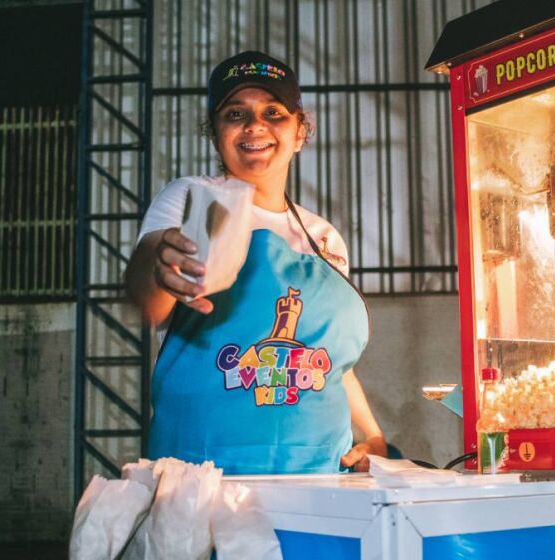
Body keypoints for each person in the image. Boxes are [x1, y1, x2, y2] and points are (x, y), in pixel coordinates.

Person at [125, 51, 387, 475]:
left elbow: (329, 360)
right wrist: (160, 266)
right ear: (215, 133)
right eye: (235, 113)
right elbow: (149, 297)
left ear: (300, 131)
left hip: (320, 477)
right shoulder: (192, 200)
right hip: (207, 477)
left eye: (274, 112)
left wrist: (372, 435)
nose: (255, 126)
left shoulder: (324, 237)